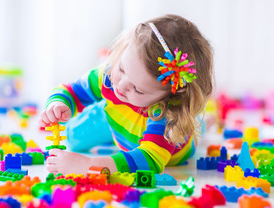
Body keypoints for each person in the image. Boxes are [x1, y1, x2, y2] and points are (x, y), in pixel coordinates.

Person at [40, 14, 213, 175]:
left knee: (194, 126)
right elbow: (73, 90)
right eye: (122, 69)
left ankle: (201, 123)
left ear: (171, 95)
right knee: (72, 138)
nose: (120, 86)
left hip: (164, 144)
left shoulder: (168, 117)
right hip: (116, 121)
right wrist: (58, 104)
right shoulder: (110, 74)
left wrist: (88, 165)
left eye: (138, 89)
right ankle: (109, 114)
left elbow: (149, 160)